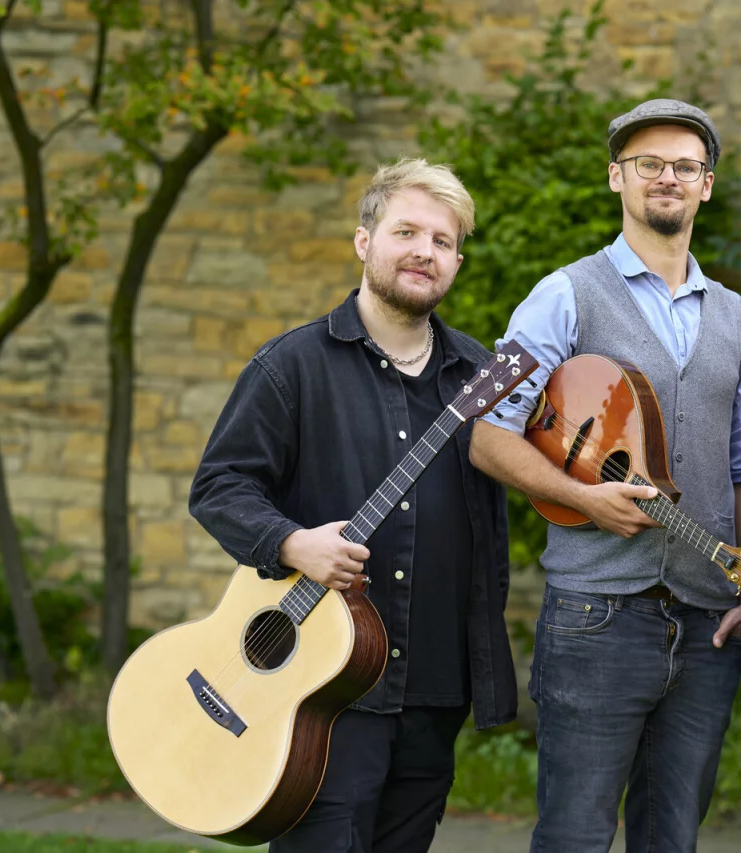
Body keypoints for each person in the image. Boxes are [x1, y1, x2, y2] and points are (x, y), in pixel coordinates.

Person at [188, 157, 517, 853]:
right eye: (407, 232)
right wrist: (291, 542)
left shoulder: (480, 378)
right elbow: (220, 485)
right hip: (321, 689)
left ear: (457, 262)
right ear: (364, 240)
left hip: (435, 686)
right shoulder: (292, 366)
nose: (425, 251)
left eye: (443, 241)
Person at [468, 98, 741, 853]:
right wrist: (582, 498)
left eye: (685, 166)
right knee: (574, 836)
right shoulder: (562, 294)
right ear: (616, 177)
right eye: (648, 163)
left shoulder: (738, 317)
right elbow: (485, 435)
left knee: (673, 839)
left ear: (706, 185)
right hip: (594, 616)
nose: (667, 177)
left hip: (706, 623)